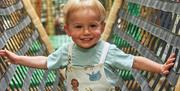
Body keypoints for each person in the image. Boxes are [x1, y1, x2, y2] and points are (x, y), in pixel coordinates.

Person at [0, 0, 176, 91]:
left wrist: (160, 68)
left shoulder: (108, 51)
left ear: (102, 27)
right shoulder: (66, 52)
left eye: (92, 26)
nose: (86, 32)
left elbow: (135, 61)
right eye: (78, 27)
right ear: (67, 30)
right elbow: (45, 62)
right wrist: (17, 59)